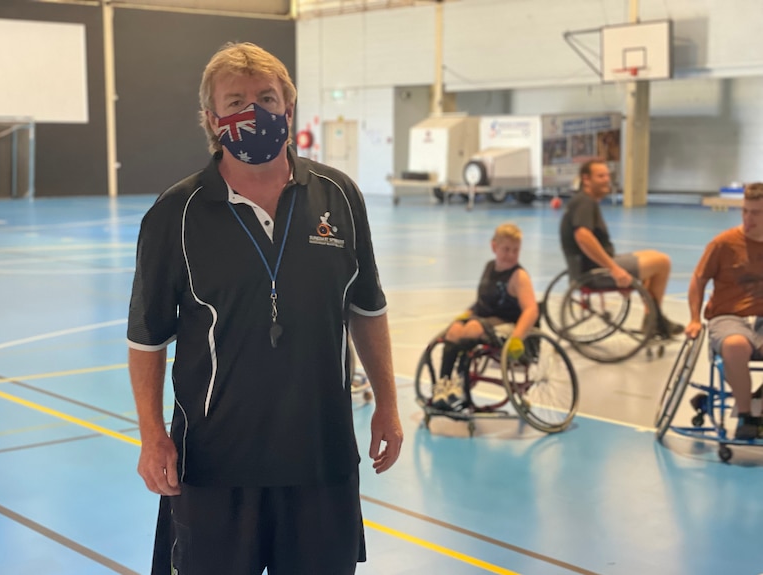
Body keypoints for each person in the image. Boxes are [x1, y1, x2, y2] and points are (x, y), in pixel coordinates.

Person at [126, 42, 403, 575]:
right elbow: (147, 337)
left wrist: (387, 404)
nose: (253, 112)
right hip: (213, 466)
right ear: (212, 118)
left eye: (267, 97)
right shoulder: (175, 215)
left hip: (321, 460)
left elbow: (367, 308)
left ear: (289, 108)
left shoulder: (340, 198)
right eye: (235, 102)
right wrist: (151, 435)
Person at [559, 159, 683, 338]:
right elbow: (583, 237)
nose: (606, 180)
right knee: (662, 262)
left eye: (607, 175)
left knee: (651, 255)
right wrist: (614, 269)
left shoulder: (581, 201)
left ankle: (654, 318)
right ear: (586, 179)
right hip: (594, 272)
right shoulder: (584, 202)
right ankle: (654, 320)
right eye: (600, 176)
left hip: (587, 267)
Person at [431, 223, 540, 412]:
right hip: (483, 320)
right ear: (494, 247)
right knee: (455, 330)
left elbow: (531, 310)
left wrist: (517, 338)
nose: (511, 254)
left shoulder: (519, 276)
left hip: (509, 325)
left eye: (515, 250)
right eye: (506, 249)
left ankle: (461, 383)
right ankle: (444, 385)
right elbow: (483, 301)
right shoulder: (490, 267)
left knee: (473, 328)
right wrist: (466, 313)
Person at [685, 182, 763, 440]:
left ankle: (756, 399)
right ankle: (746, 416)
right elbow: (698, 279)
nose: (748, 218)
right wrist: (695, 318)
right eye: (745, 211)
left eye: (756, 213)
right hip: (729, 316)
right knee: (736, 346)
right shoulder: (724, 243)